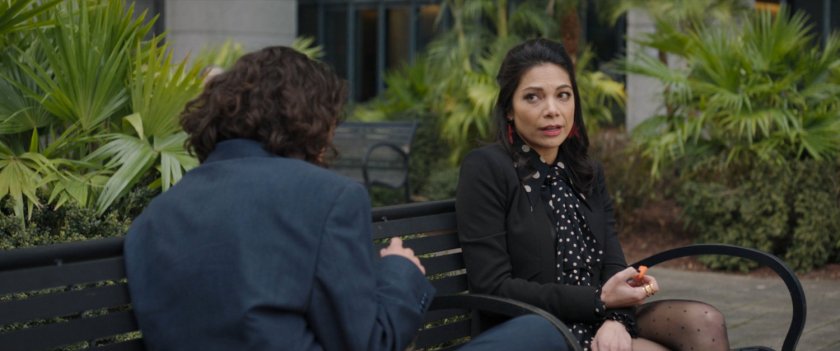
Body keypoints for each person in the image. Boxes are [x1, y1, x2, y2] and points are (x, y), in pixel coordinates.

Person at [125, 45, 568, 351]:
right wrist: (400, 272)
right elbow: (370, 342)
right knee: (536, 334)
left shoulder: (154, 218)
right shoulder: (327, 197)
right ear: (308, 119)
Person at [456, 38, 730, 351]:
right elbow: (492, 287)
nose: (552, 110)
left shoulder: (585, 171)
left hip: (599, 314)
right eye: (532, 97)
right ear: (508, 109)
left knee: (705, 320)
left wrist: (615, 320)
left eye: (563, 95)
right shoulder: (488, 168)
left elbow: (613, 263)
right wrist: (598, 301)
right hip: (538, 328)